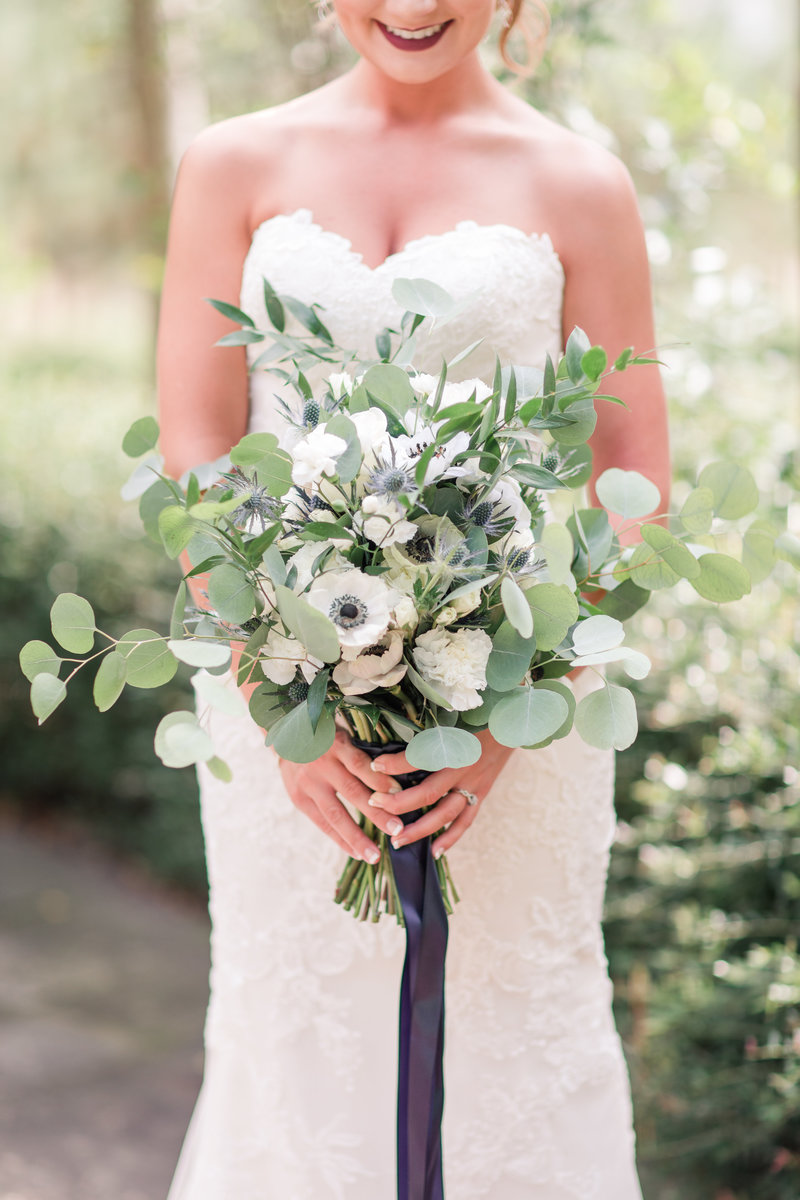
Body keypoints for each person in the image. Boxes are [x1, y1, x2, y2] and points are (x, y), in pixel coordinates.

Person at [157, 2, 670, 1196]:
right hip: (272, 702)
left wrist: (510, 717)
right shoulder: (231, 162)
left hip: (515, 711)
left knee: (506, 1052)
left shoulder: (579, 185)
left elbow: (630, 487)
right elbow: (195, 449)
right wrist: (272, 695)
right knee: (293, 1058)